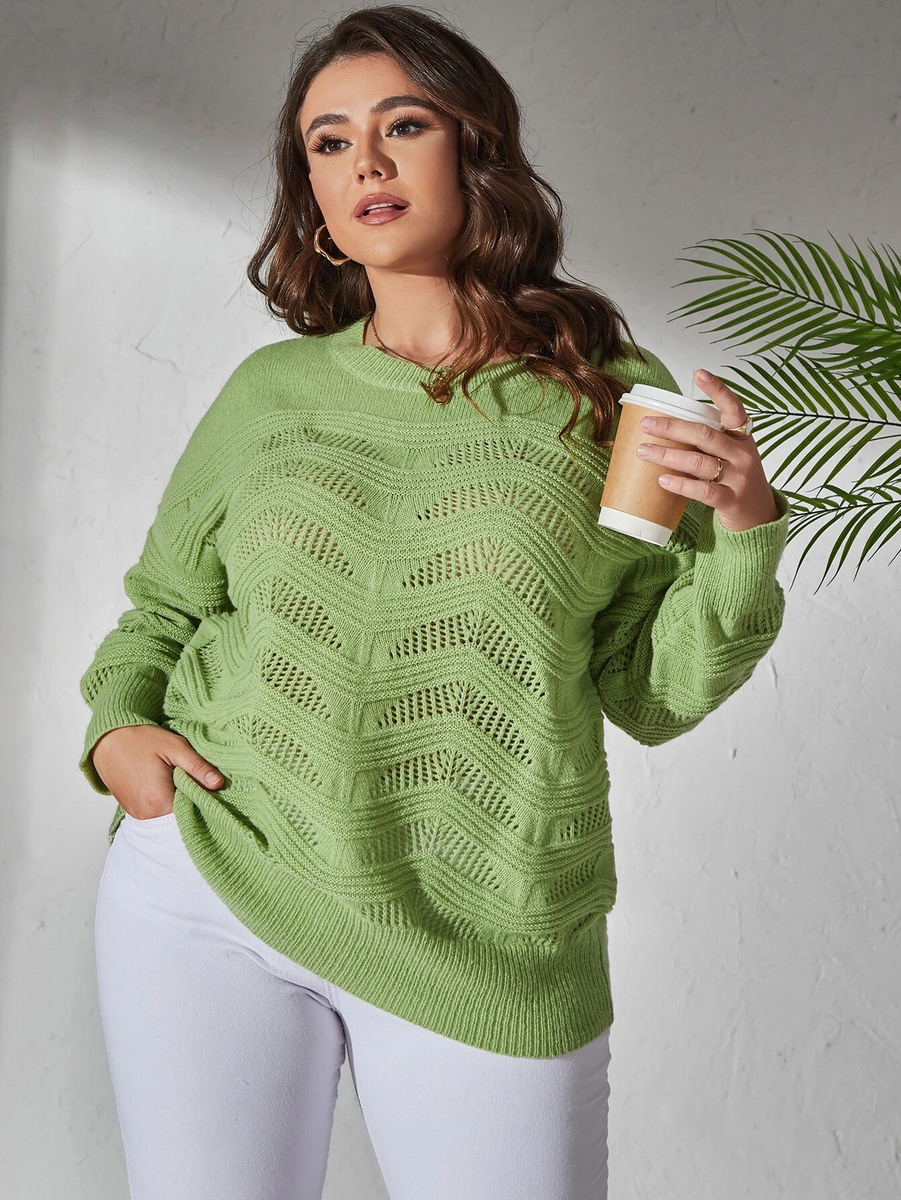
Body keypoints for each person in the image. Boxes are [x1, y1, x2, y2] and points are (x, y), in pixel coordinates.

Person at [79, 7, 790, 1199]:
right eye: (329, 142)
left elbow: (647, 691)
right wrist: (117, 734)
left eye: (402, 125)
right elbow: (163, 609)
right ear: (310, 194)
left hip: (489, 934)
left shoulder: (609, 399)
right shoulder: (270, 395)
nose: (365, 161)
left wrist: (742, 534)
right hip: (209, 889)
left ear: (475, 149)